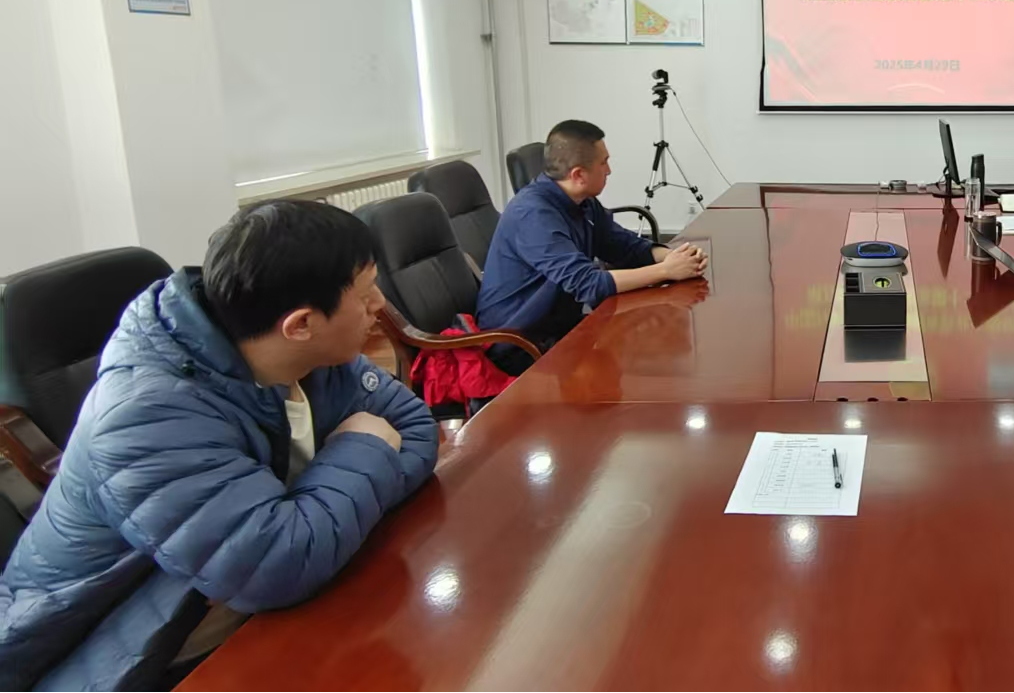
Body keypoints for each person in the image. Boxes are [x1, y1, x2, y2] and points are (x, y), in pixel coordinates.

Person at [0, 201, 439, 691]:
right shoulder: (145, 416)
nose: (380, 303)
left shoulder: (309, 354)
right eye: (364, 292)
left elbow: (416, 428)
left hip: (261, 608)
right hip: (141, 654)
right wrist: (363, 447)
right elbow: (277, 568)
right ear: (300, 324)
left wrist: (317, 518)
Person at [477, 120, 707, 356]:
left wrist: (673, 257)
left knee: (651, 339)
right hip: (519, 342)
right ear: (578, 175)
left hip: (559, 326)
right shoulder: (533, 214)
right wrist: (666, 270)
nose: (609, 170)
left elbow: (621, 245)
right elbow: (588, 284)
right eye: (603, 162)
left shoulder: (583, 201)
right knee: (642, 351)